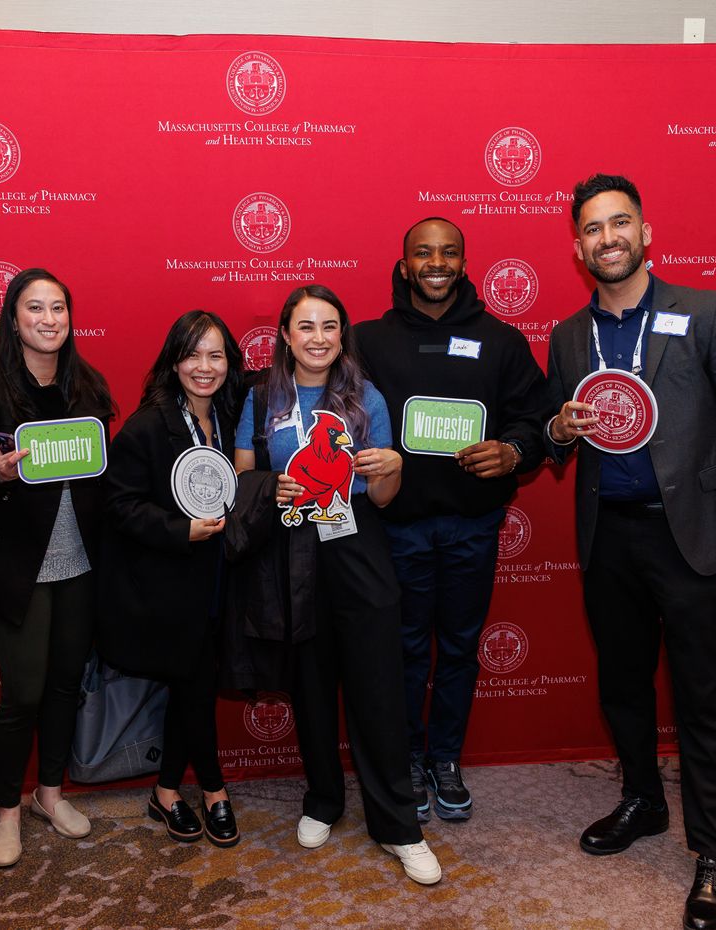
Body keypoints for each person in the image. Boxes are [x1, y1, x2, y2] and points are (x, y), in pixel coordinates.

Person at [543, 174, 716, 930]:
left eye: (620, 223)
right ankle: (643, 799)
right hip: (609, 534)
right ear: (578, 246)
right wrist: (556, 431)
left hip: (697, 536)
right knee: (623, 684)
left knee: (706, 698)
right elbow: (557, 441)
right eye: (592, 228)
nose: (607, 237)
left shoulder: (707, 312)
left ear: (646, 233)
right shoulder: (568, 336)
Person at [234, 284, 441, 885]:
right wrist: (274, 485)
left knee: (377, 682)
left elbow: (382, 495)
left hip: (355, 540)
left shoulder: (366, 396)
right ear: (284, 336)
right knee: (312, 680)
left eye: (329, 326)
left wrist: (394, 467)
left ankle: (398, 825)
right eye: (306, 326)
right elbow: (246, 478)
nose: (318, 337)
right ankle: (323, 799)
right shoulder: (262, 396)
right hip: (290, 544)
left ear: (341, 334)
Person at [354, 217, 548, 824]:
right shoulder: (367, 340)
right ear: (404, 263)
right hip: (397, 527)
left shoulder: (502, 340)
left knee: (461, 648)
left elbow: (536, 421)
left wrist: (513, 450)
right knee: (406, 649)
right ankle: (409, 758)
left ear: (464, 263)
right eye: (423, 253)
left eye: (448, 253)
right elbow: (330, 415)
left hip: (472, 526)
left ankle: (445, 759)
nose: (436, 263)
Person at [0, 268, 114, 868]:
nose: (48, 319)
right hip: (17, 565)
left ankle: (50, 794)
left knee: (67, 682)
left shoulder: (89, 384)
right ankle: (6, 809)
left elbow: (103, 479)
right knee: (24, 692)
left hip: (81, 563)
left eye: (58, 308)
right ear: (13, 319)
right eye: (34, 308)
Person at [97, 310, 243, 847]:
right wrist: (180, 529)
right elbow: (118, 506)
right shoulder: (148, 424)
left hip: (216, 581)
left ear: (230, 361)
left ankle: (164, 791)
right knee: (195, 686)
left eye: (216, 355)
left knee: (192, 687)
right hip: (165, 584)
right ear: (173, 361)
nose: (204, 367)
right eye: (192, 354)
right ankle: (214, 789)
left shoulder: (230, 416)